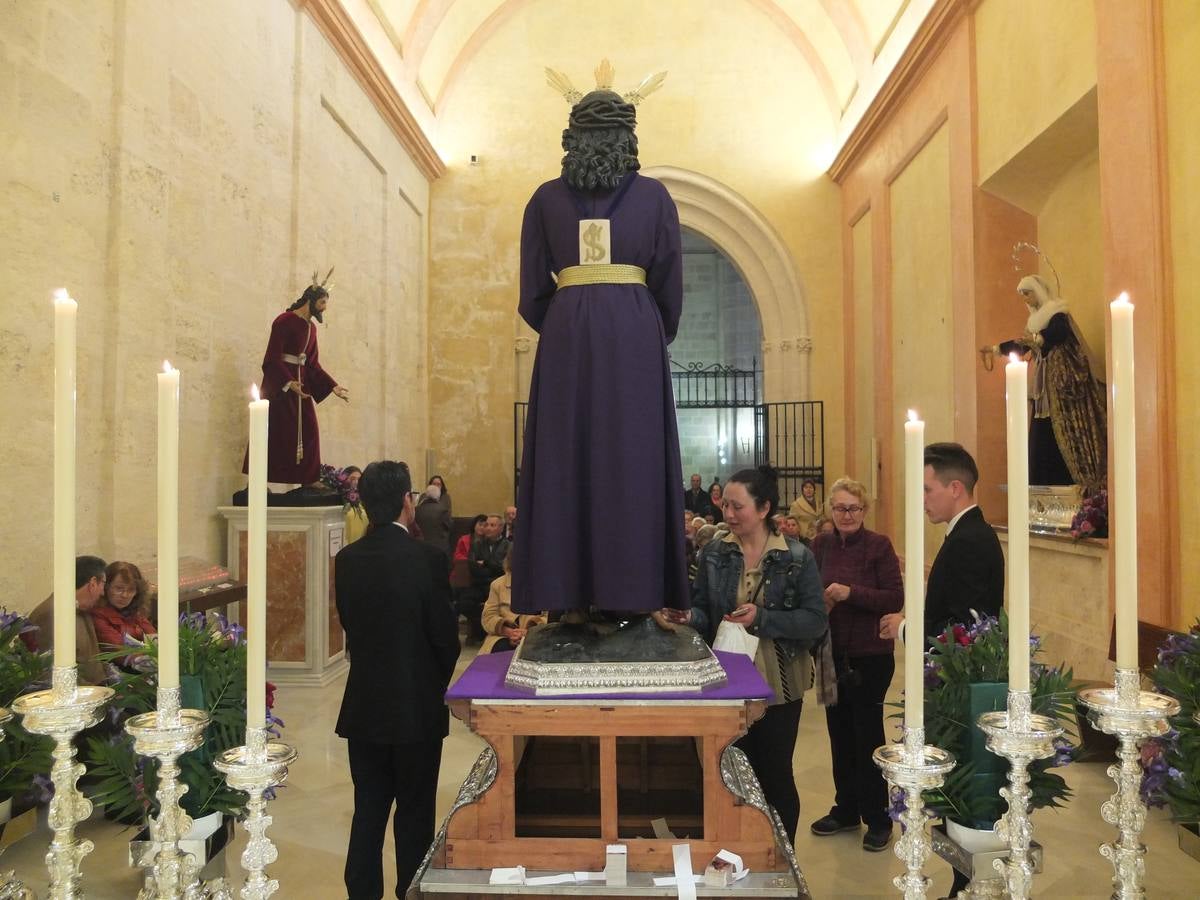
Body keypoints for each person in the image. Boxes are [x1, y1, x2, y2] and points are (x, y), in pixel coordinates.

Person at [512, 61, 687, 616]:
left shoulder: (543, 200)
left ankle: (565, 596)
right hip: (635, 333)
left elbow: (529, 294)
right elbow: (670, 285)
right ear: (628, 139)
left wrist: (568, 321)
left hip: (564, 335)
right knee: (632, 460)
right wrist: (641, 327)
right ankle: (633, 595)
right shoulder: (655, 198)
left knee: (565, 459)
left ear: (572, 139)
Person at [678, 465, 827, 844]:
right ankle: (741, 854)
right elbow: (705, 615)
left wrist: (762, 618)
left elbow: (813, 621)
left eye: (737, 506)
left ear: (763, 509)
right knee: (733, 773)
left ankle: (781, 857)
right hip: (728, 686)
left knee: (775, 774)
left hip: (778, 685)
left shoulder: (796, 558)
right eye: (724, 505)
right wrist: (684, 616)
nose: (727, 514)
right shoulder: (714, 552)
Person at [334, 460, 460, 900]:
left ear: (365, 505)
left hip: (364, 705)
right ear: (407, 501)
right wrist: (430, 683)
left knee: (367, 811)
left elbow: (351, 625)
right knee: (415, 813)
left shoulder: (347, 560)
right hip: (416, 708)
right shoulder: (428, 558)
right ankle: (413, 892)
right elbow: (446, 639)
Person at [807, 478, 903, 852]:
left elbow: (894, 596)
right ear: (830, 511)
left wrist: (851, 593)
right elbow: (809, 591)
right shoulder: (820, 545)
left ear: (864, 511)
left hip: (870, 657)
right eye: (840, 508)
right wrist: (821, 601)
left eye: (853, 508)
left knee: (866, 736)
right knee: (838, 733)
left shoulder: (879, 546)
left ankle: (877, 817)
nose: (846, 515)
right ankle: (846, 808)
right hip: (831, 653)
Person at [982, 273, 1106, 492]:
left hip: (1061, 387)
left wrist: (1037, 340)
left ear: (1037, 292)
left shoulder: (1057, 314)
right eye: (1022, 295)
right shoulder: (1036, 322)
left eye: (1027, 293)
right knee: (1041, 435)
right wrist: (995, 349)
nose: (1025, 299)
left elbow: (1057, 335)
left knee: (1063, 432)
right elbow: (1023, 345)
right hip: (1044, 386)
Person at [880, 443, 1005, 647]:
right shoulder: (968, 532)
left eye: (927, 489)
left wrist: (905, 629)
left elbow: (966, 628)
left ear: (955, 488)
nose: (922, 499)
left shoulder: (969, 540)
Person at [244, 275, 349, 486]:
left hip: (301, 388)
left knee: (309, 430)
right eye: (322, 302)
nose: (324, 308)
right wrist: (288, 382)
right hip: (280, 388)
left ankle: (307, 479)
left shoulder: (312, 329)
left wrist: (332, 385)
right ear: (310, 300)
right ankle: (257, 481)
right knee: (274, 431)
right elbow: (272, 357)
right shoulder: (284, 321)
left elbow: (313, 364)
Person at [28, 555, 108, 685]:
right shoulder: (50, 614)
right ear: (93, 583)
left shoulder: (83, 609)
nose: (103, 592)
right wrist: (98, 694)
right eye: (103, 584)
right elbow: (49, 671)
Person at [92, 561, 157, 669]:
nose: (125, 595)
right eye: (119, 588)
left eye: (131, 590)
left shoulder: (135, 610)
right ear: (106, 587)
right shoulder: (98, 614)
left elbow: (153, 637)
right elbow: (118, 650)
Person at [481, 548, 547, 653]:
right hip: (503, 636)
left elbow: (549, 618)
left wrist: (528, 633)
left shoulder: (546, 585)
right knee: (500, 650)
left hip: (537, 636)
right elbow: (488, 617)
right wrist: (509, 632)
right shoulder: (497, 585)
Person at [459, 515, 509, 643]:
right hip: (480, 584)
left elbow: (503, 568)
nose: (488, 528)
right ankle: (480, 630)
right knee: (463, 603)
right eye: (486, 525)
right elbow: (473, 566)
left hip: (499, 586)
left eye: (492, 525)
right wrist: (491, 568)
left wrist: (486, 563)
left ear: (501, 528)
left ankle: (483, 632)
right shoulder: (477, 544)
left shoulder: (507, 546)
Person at [415, 481, 452, 555]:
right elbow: (449, 526)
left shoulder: (416, 509)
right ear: (438, 496)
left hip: (420, 547)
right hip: (439, 548)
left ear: (426, 495)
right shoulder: (443, 509)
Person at [342, 466, 369, 545]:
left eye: (359, 479)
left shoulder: (366, 502)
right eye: (352, 479)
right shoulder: (343, 502)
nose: (356, 482)